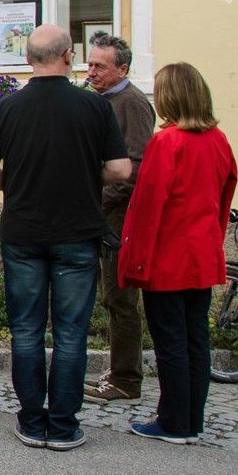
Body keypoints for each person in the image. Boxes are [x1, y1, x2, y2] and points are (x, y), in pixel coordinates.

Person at [0, 24, 131, 451]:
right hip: (77, 232)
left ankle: (30, 420)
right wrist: (82, 174)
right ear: (68, 57)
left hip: (23, 231)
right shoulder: (93, 107)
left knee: (25, 331)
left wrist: (21, 179)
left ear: (28, 59)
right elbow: (120, 170)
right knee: (71, 332)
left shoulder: (5, 108)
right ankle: (62, 425)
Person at [118, 63, 237, 443]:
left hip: (168, 257)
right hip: (201, 254)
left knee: (170, 340)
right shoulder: (218, 140)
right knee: (195, 340)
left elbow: (147, 207)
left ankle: (172, 421)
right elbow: (223, 198)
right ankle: (191, 419)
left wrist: (134, 259)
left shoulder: (168, 143)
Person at [81, 32, 155, 405]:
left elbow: (136, 166)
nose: (90, 71)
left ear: (122, 68)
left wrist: (101, 201)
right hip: (102, 213)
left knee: (120, 297)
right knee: (110, 296)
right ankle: (119, 370)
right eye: (89, 63)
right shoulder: (103, 99)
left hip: (119, 217)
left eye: (99, 66)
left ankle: (127, 378)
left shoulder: (131, 103)